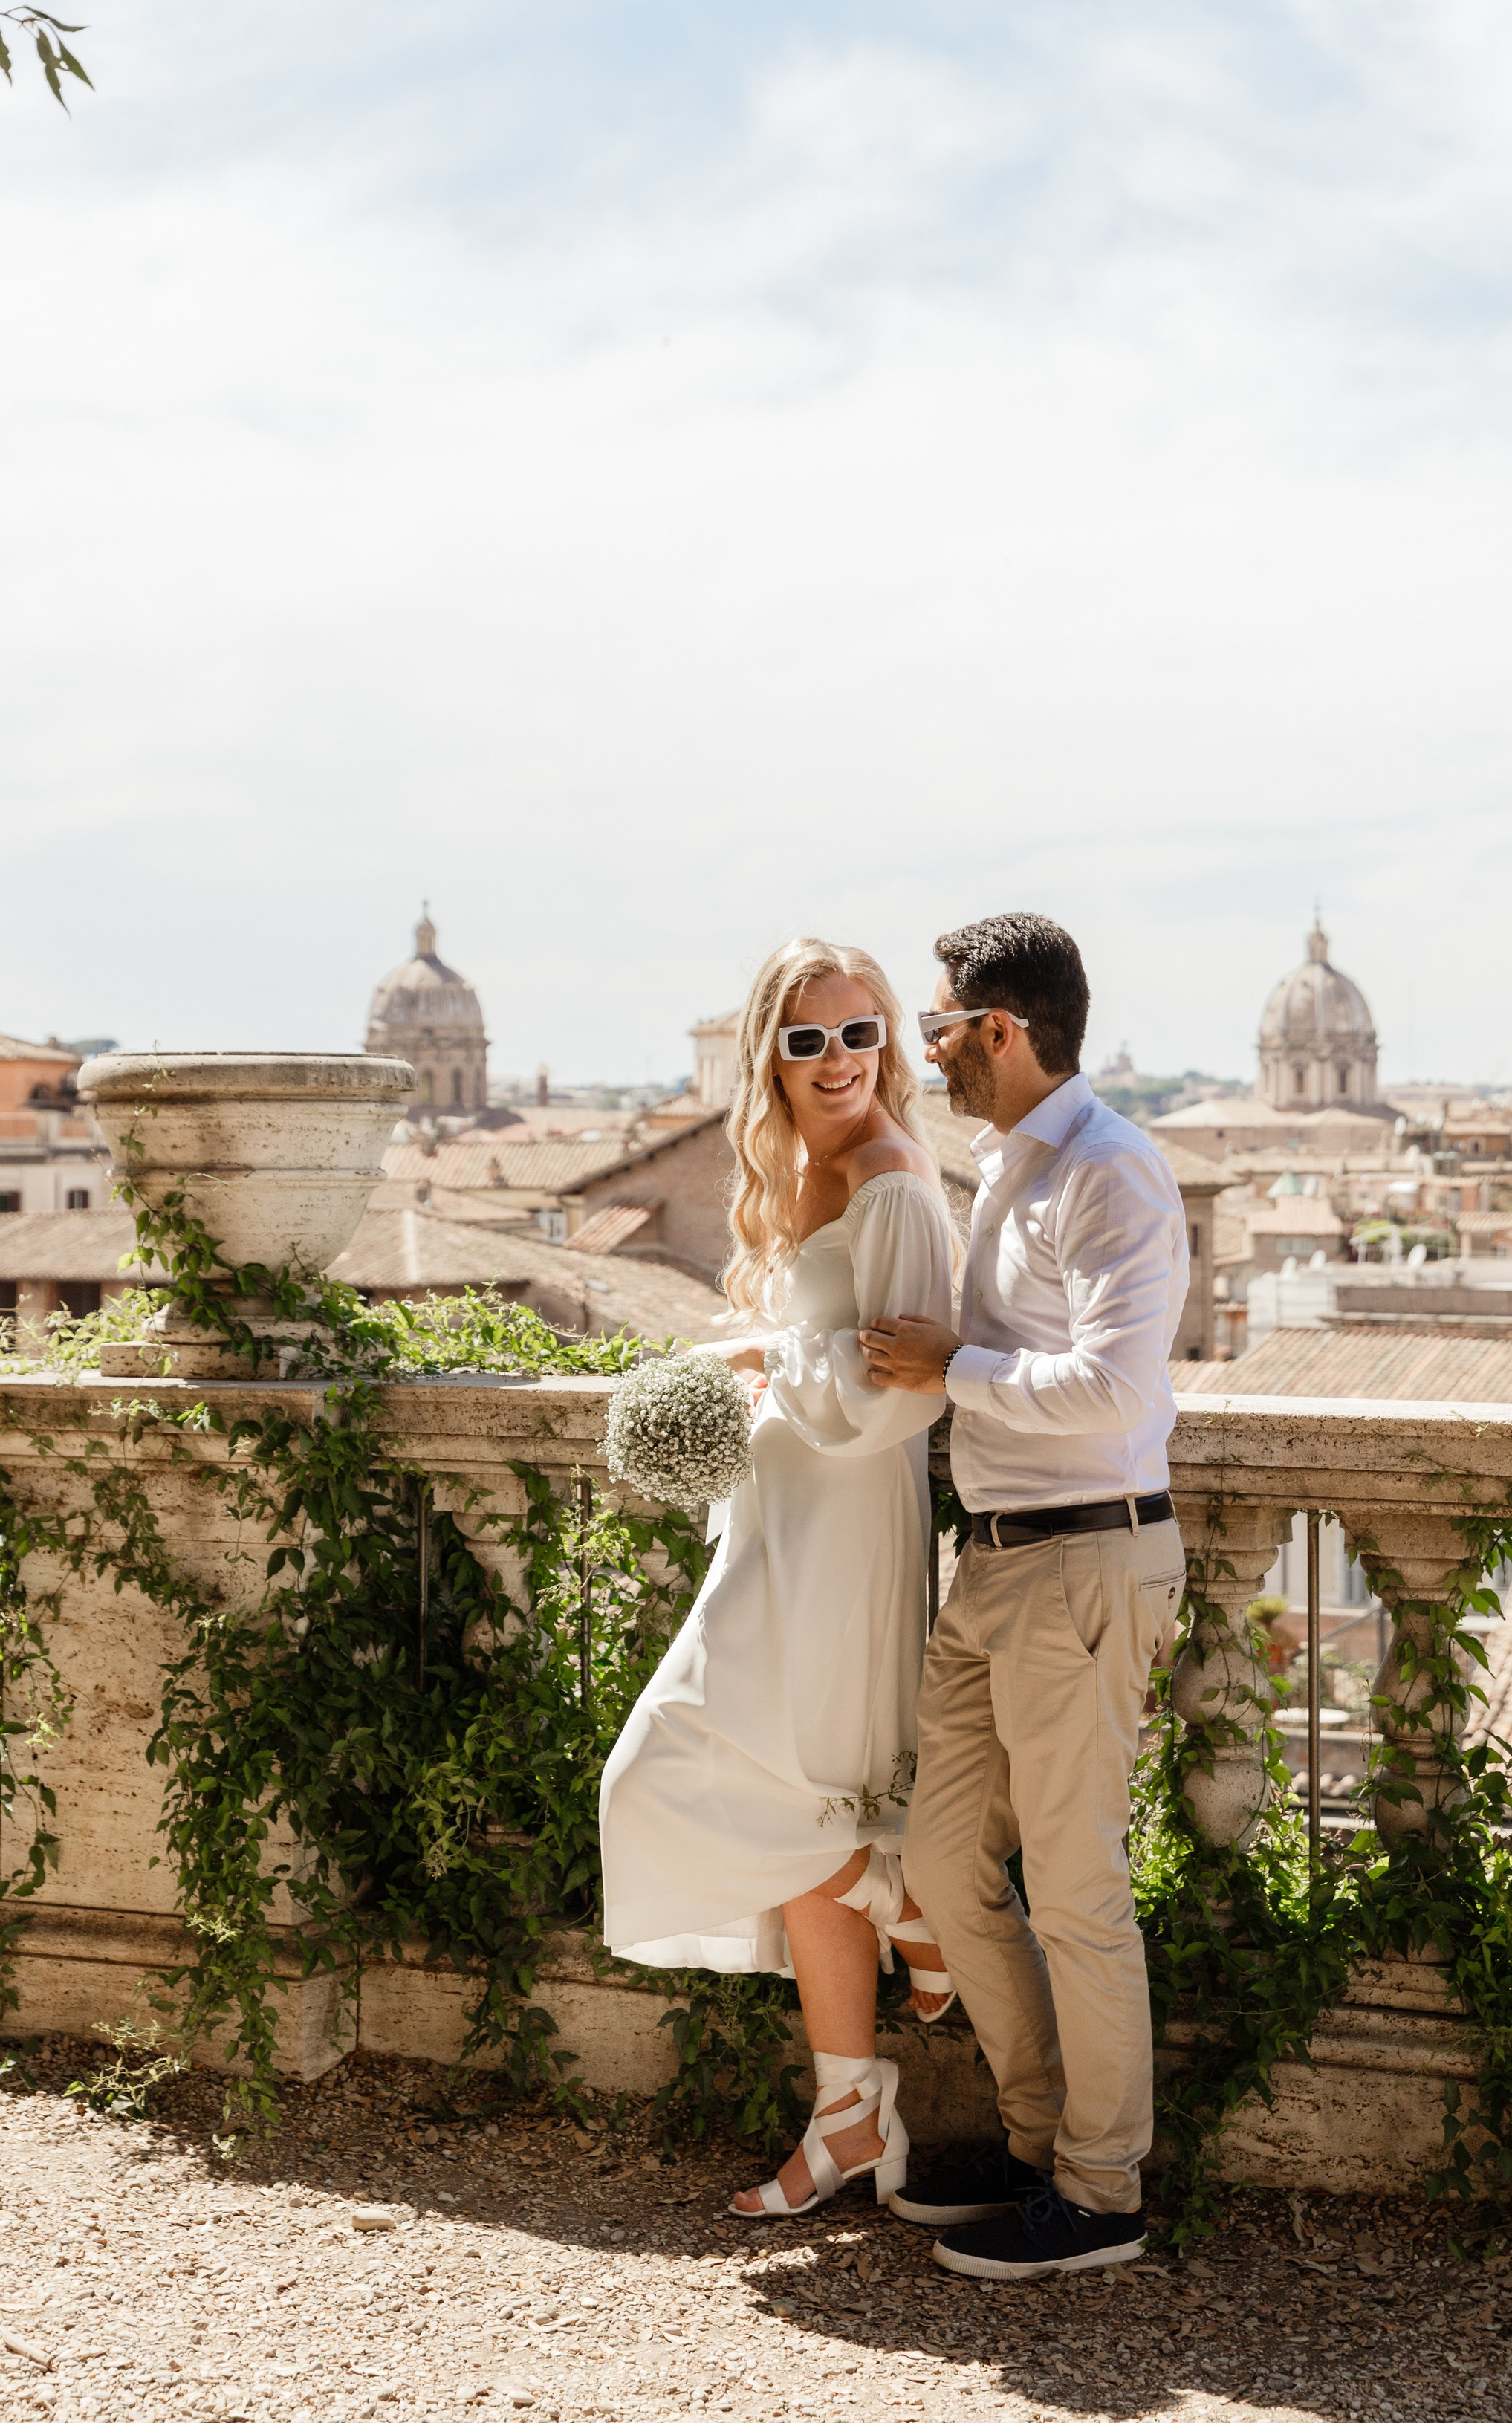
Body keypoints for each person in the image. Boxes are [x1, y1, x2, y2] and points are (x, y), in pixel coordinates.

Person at [599, 937, 960, 2219]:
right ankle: (853, 2114)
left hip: (846, 1523)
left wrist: (762, 1368)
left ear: (890, 1043)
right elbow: (831, 1356)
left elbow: (896, 1397)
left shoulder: (895, 1181)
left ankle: (887, 1887)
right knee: (809, 1792)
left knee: (674, 1772)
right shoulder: (807, 1171)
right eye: (807, 1040)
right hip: (780, 1517)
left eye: (861, 1032)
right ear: (769, 1058)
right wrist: (769, 1361)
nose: (838, 1060)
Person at [858, 911, 1189, 2280]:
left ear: (1000, 1029)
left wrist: (956, 1374)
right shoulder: (1003, 1166)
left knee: (1073, 1888)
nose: (926, 1054)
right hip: (995, 1562)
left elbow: (1125, 1388)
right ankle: (1041, 2138)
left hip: (1084, 1557)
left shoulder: (1112, 1174)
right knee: (940, 1861)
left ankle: (1102, 2190)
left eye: (937, 1029)